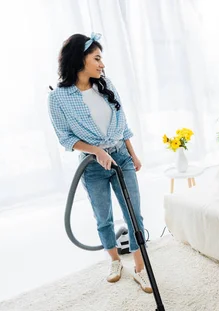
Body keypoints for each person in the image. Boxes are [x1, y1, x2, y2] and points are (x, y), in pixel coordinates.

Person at [48, 32, 151, 293]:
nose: (102, 64)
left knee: (133, 214)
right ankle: (115, 261)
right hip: (92, 166)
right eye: (96, 58)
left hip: (122, 158)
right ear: (79, 60)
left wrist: (133, 154)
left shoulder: (106, 84)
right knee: (103, 218)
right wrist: (96, 151)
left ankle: (140, 269)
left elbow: (123, 123)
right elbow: (65, 138)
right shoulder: (58, 98)